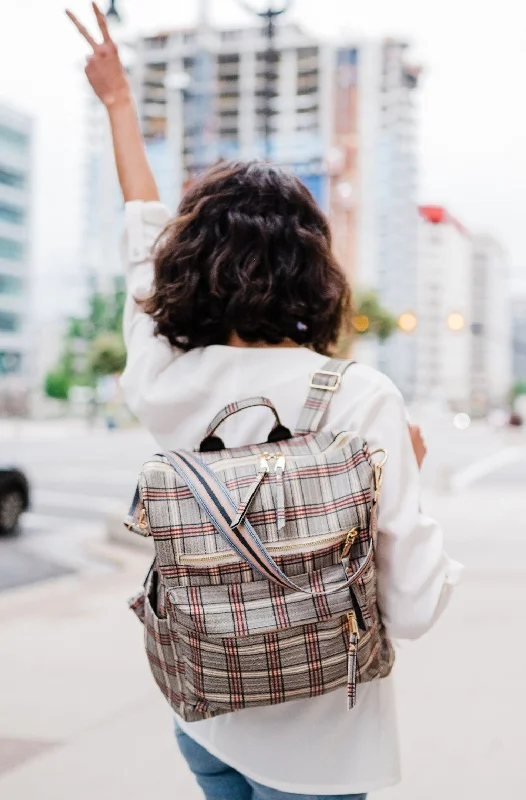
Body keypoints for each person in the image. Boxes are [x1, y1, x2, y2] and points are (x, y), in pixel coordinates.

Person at [67, 6, 462, 799]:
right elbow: (414, 607)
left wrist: (119, 102)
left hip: (205, 713)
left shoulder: (163, 378)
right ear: (312, 268)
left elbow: (142, 239)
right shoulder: (361, 399)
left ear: (191, 264)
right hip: (323, 746)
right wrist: (406, 476)